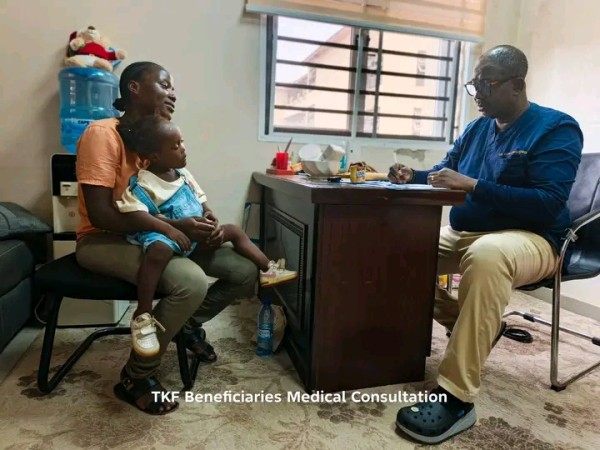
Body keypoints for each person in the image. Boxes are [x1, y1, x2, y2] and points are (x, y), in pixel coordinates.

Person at [389, 45, 583, 444]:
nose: (477, 92)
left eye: (486, 83)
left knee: (487, 255)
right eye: (474, 84)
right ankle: (477, 326)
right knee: (397, 250)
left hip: (533, 238)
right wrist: (414, 175)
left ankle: (456, 398)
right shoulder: (477, 129)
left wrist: (474, 185)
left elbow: (548, 202)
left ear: (517, 85)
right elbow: (445, 173)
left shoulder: (556, 128)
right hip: (468, 233)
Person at [75, 61, 258, 415]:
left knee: (244, 270)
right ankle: (137, 375)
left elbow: (182, 190)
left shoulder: (159, 136)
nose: (172, 93)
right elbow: (101, 214)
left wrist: (204, 220)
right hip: (105, 238)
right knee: (191, 282)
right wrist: (173, 227)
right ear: (133, 88)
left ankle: (185, 325)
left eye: (173, 87)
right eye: (164, 84)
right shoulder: (103, 134)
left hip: (166, 234)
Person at [114, 115, 297, 357]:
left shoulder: (184, 175)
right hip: (167, 237)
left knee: (234, 230)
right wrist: (172, 229)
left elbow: (201, 201)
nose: (183, 148)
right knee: (158, 251)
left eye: (182, 142)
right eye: (175, 146)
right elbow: (135, 215)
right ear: (155, 156)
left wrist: (211, 217)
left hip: (196, 236)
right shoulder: (143, 184)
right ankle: (144, 313)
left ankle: (268, 269)